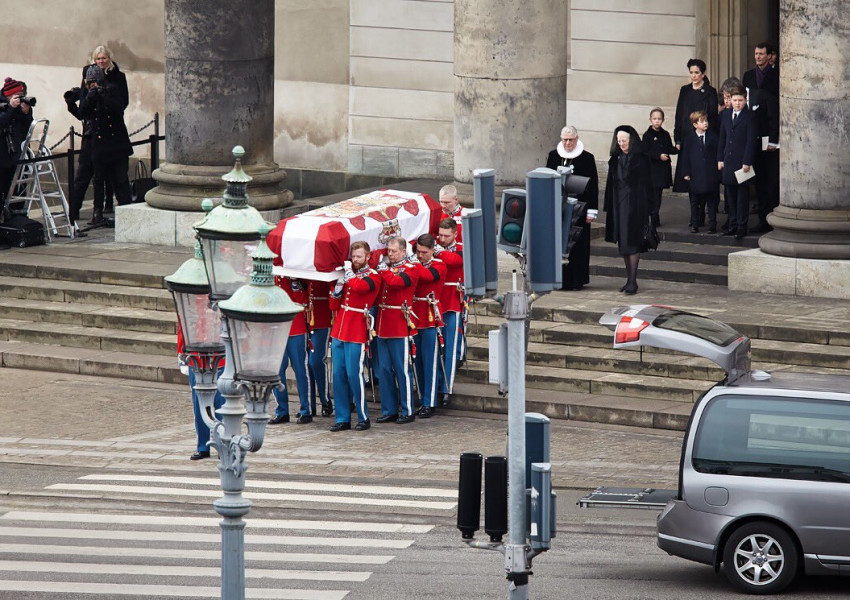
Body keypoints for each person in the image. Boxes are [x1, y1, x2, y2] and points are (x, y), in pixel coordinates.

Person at [328, 241, 381, 432]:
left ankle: (363, 416)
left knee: (354, 374)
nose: (355, 260)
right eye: (354, 256)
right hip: (340, 329)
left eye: (359, 256)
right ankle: (342, 417)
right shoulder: (348, 276)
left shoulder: (373, 276)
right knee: (338, 374)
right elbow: (333, 306)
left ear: (368, 257)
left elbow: (361, 289)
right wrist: (337, 290)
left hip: (357, 329)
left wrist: (349, 276)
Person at [77, 45, 133, 223]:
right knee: (95, 176)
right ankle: (94, 212)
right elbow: (83, 109)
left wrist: (105, 95)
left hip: (115, 133)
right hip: (96, 134)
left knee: (120, 176)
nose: (101, 62)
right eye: (98, 59)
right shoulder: (88, 77)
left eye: (104, 58)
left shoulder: (118, 77)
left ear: (109, 59)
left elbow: (122, 104)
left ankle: (125, 210)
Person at [546, 125, 599, 290]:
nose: (568, 143)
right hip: (558, 209)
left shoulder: (587, 158)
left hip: (579, 209)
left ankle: (576, 281)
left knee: (577, 244)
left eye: (571, 140)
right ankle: (558, 281)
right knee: (558, 244)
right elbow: (546, 181)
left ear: (577, 138)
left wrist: (591, 211)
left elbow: (594, 186)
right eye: (565, 140)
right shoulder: (553, 156)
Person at [603, 125, 655, 295]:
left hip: (636, 206)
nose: (621, 144)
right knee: (623, 243)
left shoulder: (640, 158)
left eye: (624, 141)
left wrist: (649, 209)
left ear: (631, 141)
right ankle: (629, 279)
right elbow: (611, 185)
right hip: (619, 205)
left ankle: (632, 281)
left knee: (632, 242)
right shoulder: (615, 159)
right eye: (619, 141)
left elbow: (647, 185)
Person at [374, 236, 420, 425]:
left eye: (393, 251)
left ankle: (408, 409)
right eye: (388, 251)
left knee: (402, 369)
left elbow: (395, 283)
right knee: (384, 370)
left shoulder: (411, 269)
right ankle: (389, 409)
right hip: (383, 324)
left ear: (403, 251)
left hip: (399, 324)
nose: (390, 254)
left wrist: (383, 269)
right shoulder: (387, 268)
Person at [742, 42, 780, 234]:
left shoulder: (776, 75)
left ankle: (772, 216)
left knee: (771, 179)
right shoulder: (748, 76)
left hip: (769, 133)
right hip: (753, 134)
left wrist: (774, 139)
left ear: (768, 56)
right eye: (756, 53)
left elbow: (775, 111)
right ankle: (761, 218)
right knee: (759, 178)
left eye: (761, 54)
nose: (757, 57)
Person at [411, 233, 446, 418]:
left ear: (433, 250)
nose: (420, 255)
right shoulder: (417, 263)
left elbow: (426, 276)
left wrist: (412, 263)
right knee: (418, 362)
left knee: (430, 361)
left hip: (430, 315)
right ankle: (422, 396)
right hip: (415, 316)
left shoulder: (439, 265)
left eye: (424, 252)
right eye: (418, 252)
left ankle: (430, 401)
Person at [269, 275, 312, 424]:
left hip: (296, 326)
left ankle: (306, 409)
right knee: (277, 371)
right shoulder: (271, 276)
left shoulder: (295, 276)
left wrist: (294, 281)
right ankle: (282, 411)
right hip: (276, 328)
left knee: (300, 369)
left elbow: (303, 301)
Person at [672, 59, 718, 199]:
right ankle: (695, 215)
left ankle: (708, 211)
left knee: (703, 173)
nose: (694, 75)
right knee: (688, 175)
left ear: (703, 74)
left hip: (703, 136)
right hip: (687, 137)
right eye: (691, 72)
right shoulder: (685, 90)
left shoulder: (710, 91)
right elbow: (679, 115)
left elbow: (713, 116)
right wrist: (678, 138)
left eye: (696, 72)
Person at [717, 84, 758, 240]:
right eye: (734, 100)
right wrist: (720, 158)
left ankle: (742, 225)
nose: (737, 103)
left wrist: (747, 161)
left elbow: (751, 141)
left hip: (742, 163)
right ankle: (732, 224)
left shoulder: (750, 116)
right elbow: (723, 138)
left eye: (740, 100)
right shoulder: (726, 115)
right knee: (730, 195)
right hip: (728, 160)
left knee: (742, 197)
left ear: (745, 100)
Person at [177, 327, 224, 460]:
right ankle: (203, 446)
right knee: (199, 405)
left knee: (222, 404)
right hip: (197, 358)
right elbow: (183, 325)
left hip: (220, 356)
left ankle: (223, 444)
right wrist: (181, 352)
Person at [435, 218, 463, 405]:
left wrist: (439, 251)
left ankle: (447, 388)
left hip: (452, 302)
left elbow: (455, 261)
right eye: (441, 235)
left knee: (450, 349)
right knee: (434, 349)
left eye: (447, 236)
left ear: (454, 234)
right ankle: (434, 385)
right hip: (436, 302)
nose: (443, 239)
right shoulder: (435, 248)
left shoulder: (460, 247)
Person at [679, 111, 720, 234]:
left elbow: (718, 153)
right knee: (695, 202)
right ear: (695, 124)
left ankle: (713, 224)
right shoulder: (689, 139)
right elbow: (685, 157)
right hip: (695, 174)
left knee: (712, 202)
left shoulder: (713, 137)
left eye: (706, 121)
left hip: (710, 173)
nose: (705, 123)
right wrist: (686, 172)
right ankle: (695, 223)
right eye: (702, 121)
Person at [0, 78, 33, 211]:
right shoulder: (4, 105)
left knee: (19, 189)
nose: (20, 98)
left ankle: (18, 216)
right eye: (16, 95)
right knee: (3, 186)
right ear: (8, 96)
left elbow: (28, 128)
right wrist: (12, 108)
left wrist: (26, 113)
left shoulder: (22, 105)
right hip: (3, 154)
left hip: (19, 152)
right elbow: (2, 122)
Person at [640, 111, 676, 229]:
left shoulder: (665, 134)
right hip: (652, 170)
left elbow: (669, 147)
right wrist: (658, 156)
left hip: (662, 170)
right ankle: (652, 217)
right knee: (652, 195)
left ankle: (655, 216)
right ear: (650, 120)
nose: (657, 121)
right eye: (655, 119)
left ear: (663, 120)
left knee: (658, 195)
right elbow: (645, 151)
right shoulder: (647, 135)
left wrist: (678, 148)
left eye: (659, 119)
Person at [307, 280, 333, 418]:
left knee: (316, 361)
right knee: (306, 364)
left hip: (321, 317)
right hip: (303, 317)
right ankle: (309, 404)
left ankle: (325, 399)